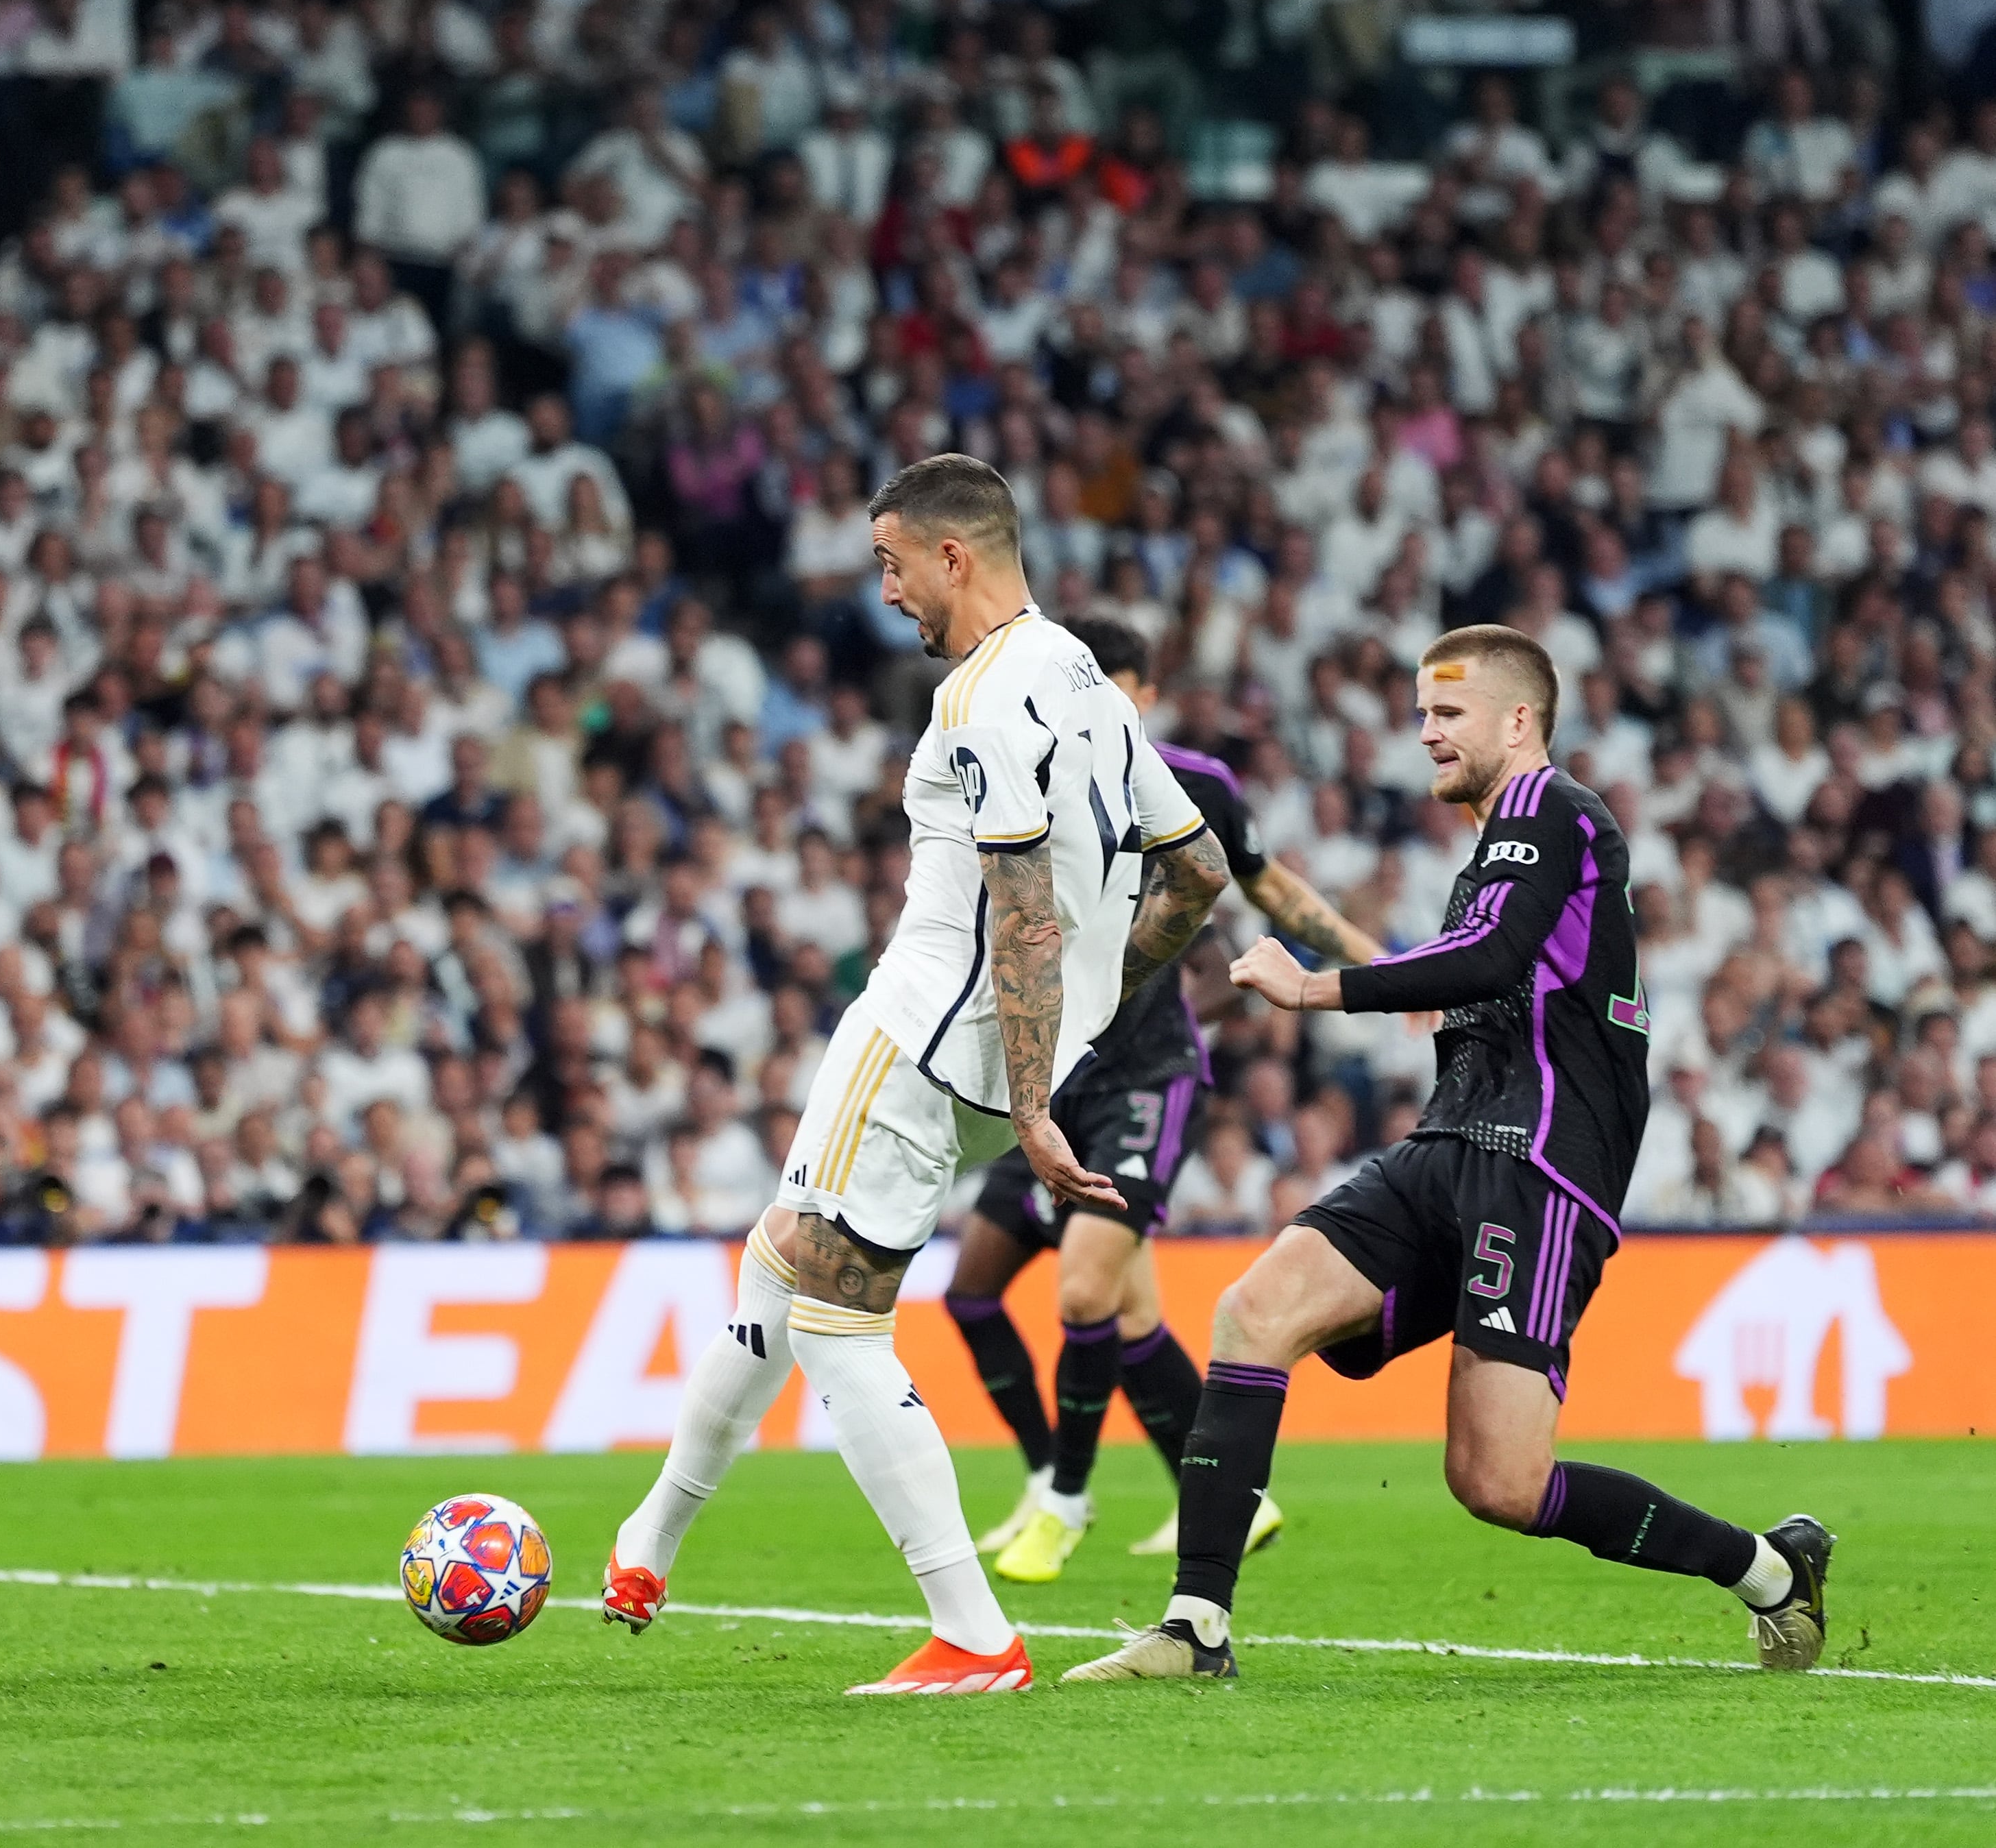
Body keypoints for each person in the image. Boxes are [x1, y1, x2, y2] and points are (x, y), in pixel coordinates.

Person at [1064, 626, 1831, 1683]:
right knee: (1254, 1310)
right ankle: (1194, 1625)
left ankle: (1764, 1568)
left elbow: (1494, 956)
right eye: (1421, 711)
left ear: (1517, 721)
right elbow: (1485, 965)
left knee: (1498, 1483)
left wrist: (1318, 982)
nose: (1423, 730)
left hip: (1541, 1163)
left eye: (1447, 712)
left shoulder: (1550, 811)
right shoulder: (1495, 840)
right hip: (1450, 1140)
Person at [598, 454, 1230, 1696]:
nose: (883, 591)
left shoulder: (983, 701)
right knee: (783, 1249)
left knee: (838, 1323)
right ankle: (651, 1535)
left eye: (891, 562)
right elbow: (1196, 871)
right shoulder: (1089, 683)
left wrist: (1046, 1095)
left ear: (953, 554)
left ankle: (973, 1634)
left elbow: (1025, 908)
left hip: (921, 1038)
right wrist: (1081, 1032)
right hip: (997, 1064)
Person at [957, 614, 1385, 1581]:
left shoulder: (1196, 786)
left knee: (1080, 1290)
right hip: (1060, 1076)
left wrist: (1376, 963)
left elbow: (1266, 885)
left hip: (1149, 1075)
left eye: (1106, 693)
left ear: (1141, 694)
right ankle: (1227, 1496)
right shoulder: (1032, 785)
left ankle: (1063, 1499)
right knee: (1112, 1314)